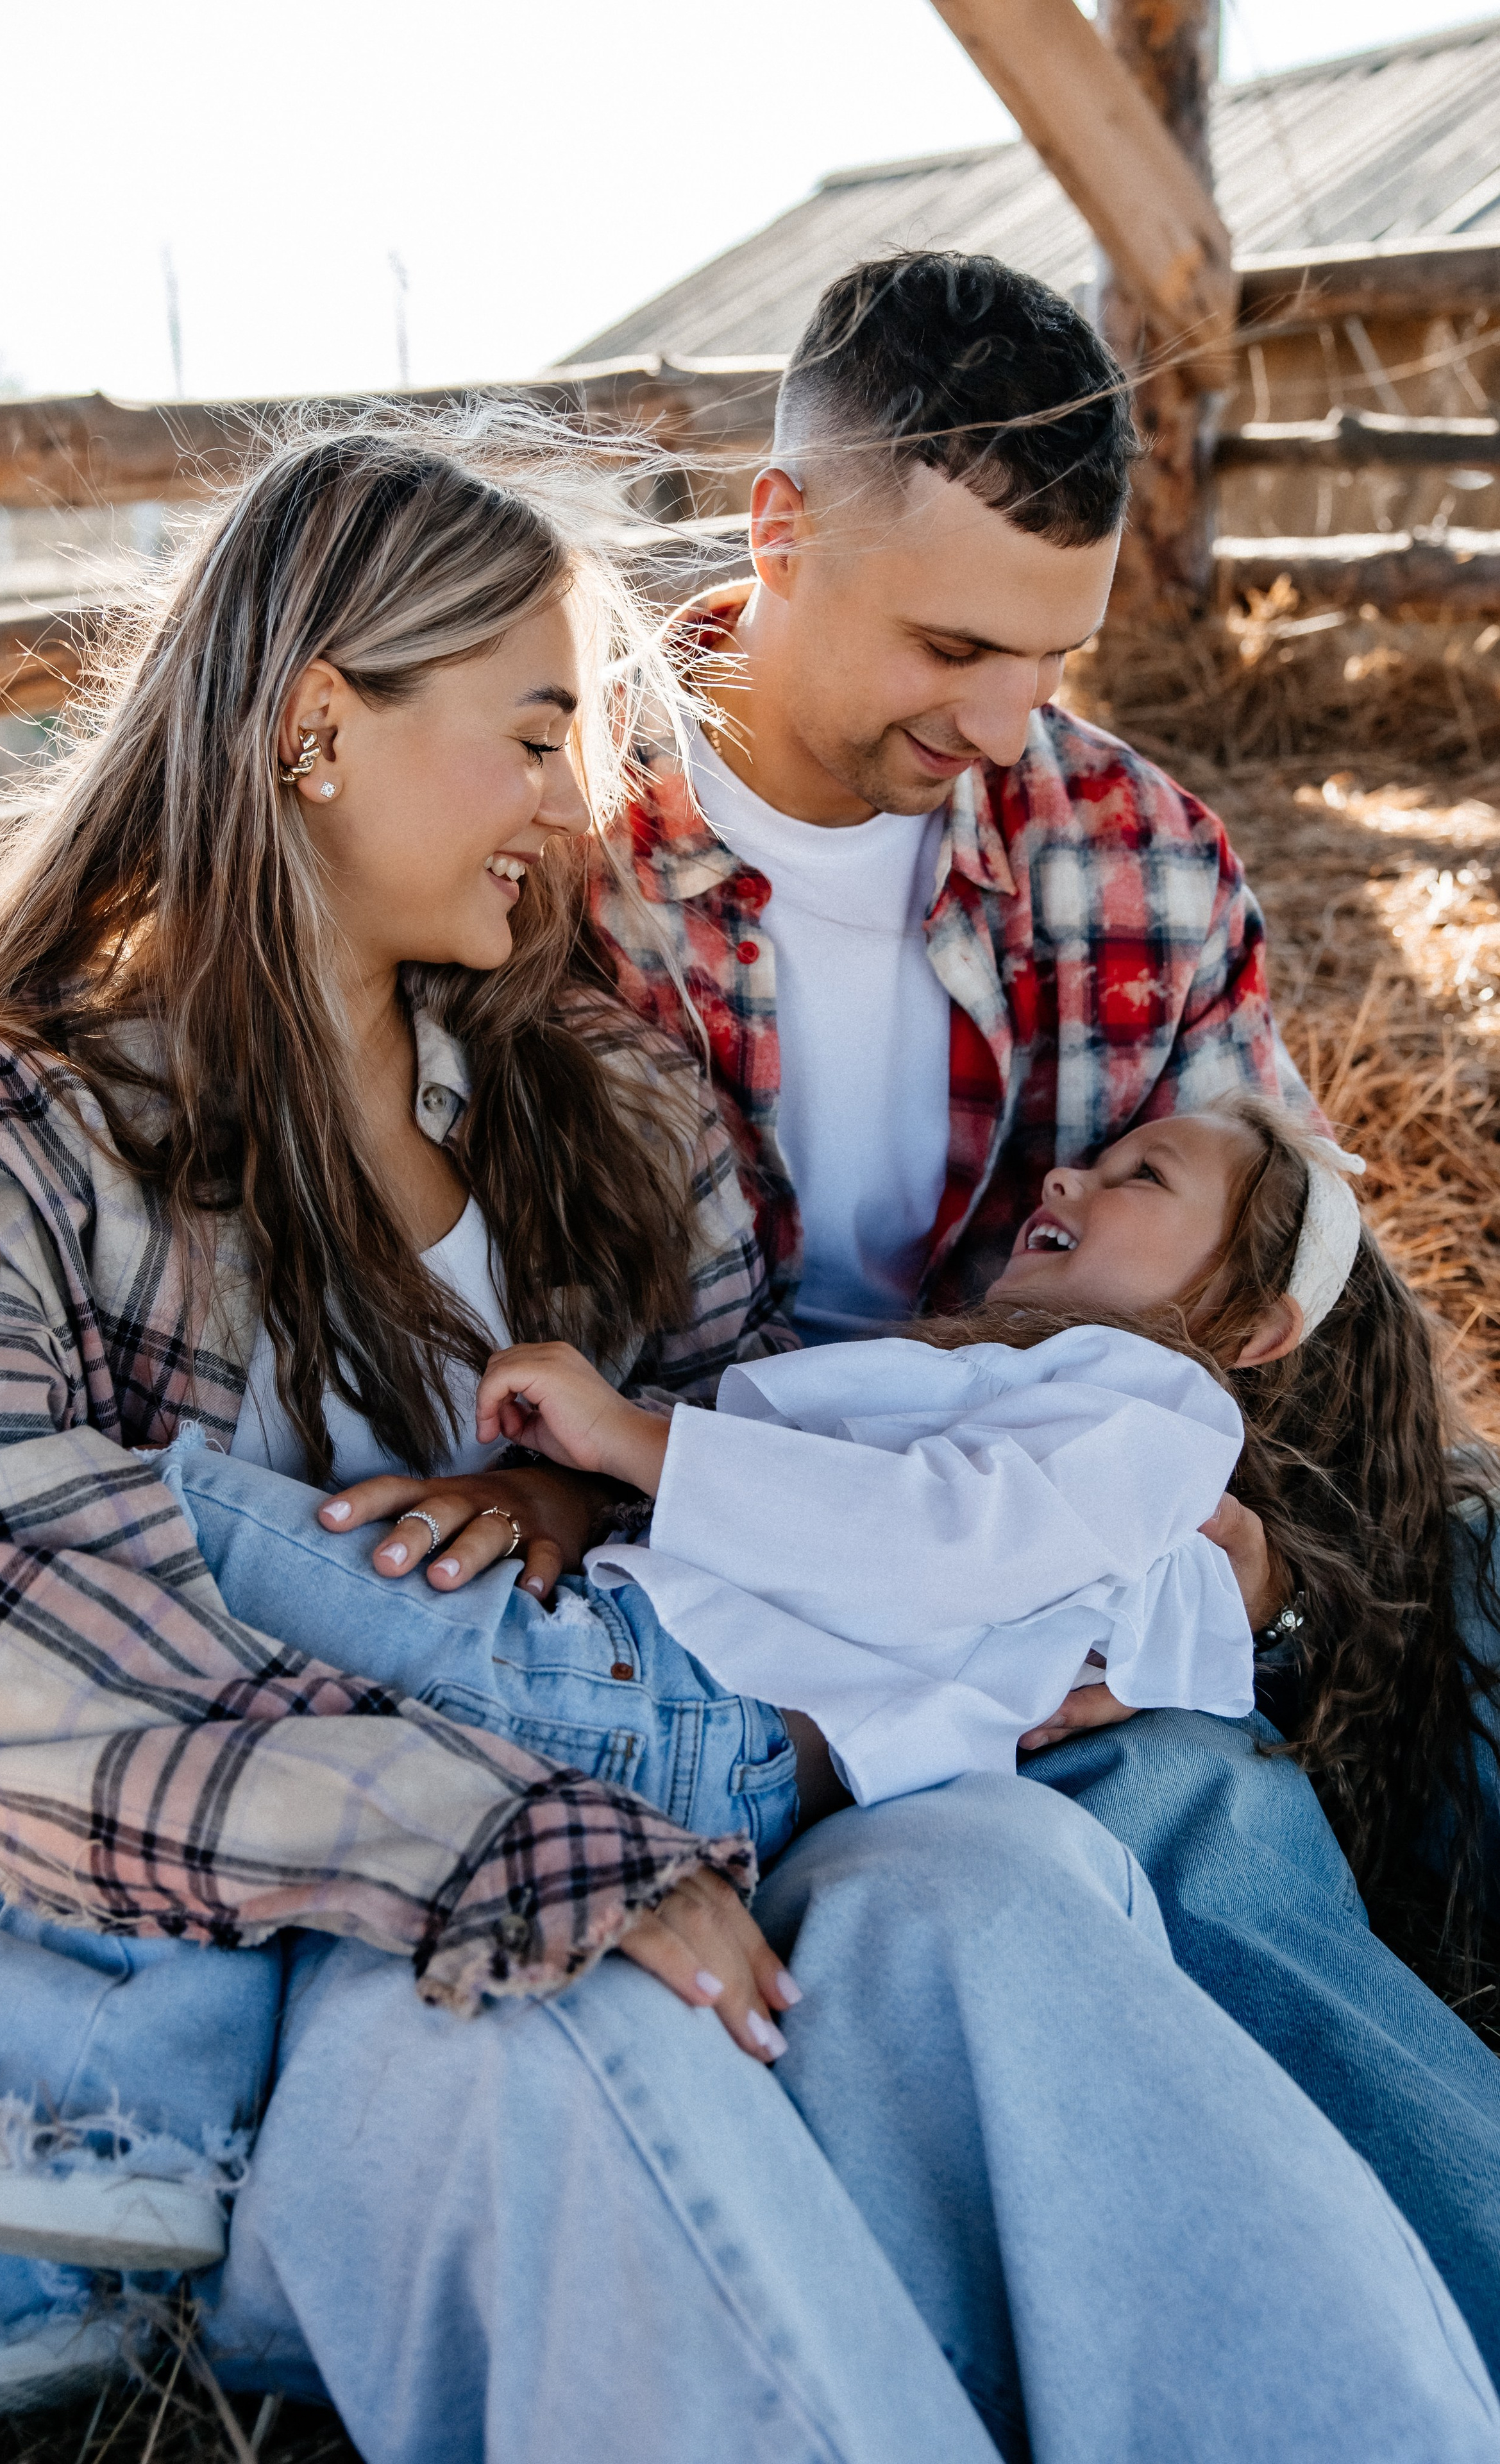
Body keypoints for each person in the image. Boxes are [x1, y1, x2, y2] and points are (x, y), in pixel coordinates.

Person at [0, 411, 1497, 2464]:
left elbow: (733, 1471)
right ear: (311, 730)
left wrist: (995, 1604)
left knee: (999, 1874)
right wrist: (509, 1848)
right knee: (569, 2019)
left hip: (658, 1804)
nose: (581, 802)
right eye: (536, 737)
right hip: (214, 1941)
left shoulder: (607, 1109)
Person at [582, 246, 1500, 2373]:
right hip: (739, 1639)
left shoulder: (1138, 853)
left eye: (1056, 655)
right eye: (953, 642)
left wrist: (1248, 1564)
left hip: (1070, 1626)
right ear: (779, 531)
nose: (1005, 725)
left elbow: (1265, 1295)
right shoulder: (564, 862)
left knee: (1208, 1803)